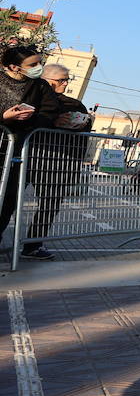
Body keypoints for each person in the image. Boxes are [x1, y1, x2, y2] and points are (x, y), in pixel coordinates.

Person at [18, 64, 93, 260]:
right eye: (62, 79)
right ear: (47, 79)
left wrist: (83, 122)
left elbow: (84, 126)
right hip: (25, 157)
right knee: (8, 201)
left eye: (67, 79)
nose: (66, 83)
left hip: (58, 162)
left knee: (49, 205)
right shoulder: (30, 98)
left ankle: (33, 246)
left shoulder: (74, 104)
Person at [0, 45, 64, 249]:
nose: (39, 67)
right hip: (3, 142)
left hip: (17, 150)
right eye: (33, 64)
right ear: (14, 66)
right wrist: (4, 117)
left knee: (8, 198)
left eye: (39, 62)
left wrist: (30, 119)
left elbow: (50, 111)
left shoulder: (40, 86)